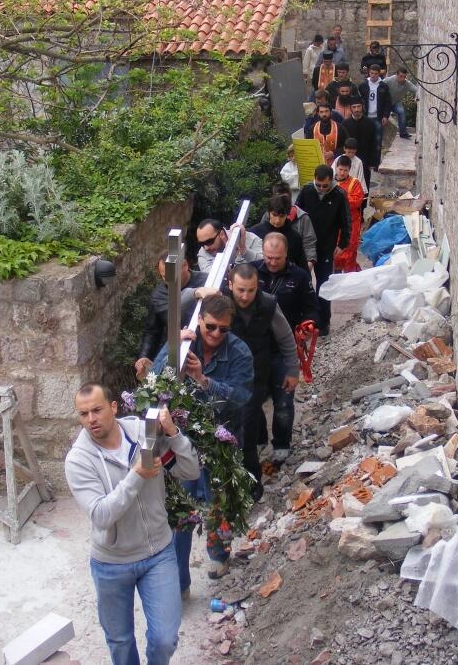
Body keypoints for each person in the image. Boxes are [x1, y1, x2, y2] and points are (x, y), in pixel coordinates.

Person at [66, 383, 200, 665]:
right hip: (111, 564)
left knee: (165, 639)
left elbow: (189, 471)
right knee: (121, 642)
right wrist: (137, 473)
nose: (91, 419)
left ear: (113, 408)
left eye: (97, 410)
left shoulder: (144, 435)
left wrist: (174, 434)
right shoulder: (78, 460)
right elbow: (102, 515)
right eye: (83, 413)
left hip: (158, 554)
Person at [152, 294, 253, 584]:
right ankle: (179, 579)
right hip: (184, 440)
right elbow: (154, 383)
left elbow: (242, 397)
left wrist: (204, 381)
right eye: (210, 327)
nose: (216, 334)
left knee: (218, 504)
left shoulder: (239, 353)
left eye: (223, 329)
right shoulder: (185, 343)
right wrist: (172, 348)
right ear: (199, 321)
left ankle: (219, 557)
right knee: (181, 509)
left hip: (222, 441)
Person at [187, 266, 298, 494]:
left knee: (245, 430)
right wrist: (195, 292)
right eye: (240, 290)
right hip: (222, 375)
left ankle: (251, 485)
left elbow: (286, 337)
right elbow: (176, 304)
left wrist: (292, 369)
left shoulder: (267, 305)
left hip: (255, 374)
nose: (245, 296)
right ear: (229, 285)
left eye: (251, 290)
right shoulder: (217, 302)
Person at [253, 233, 319, 461]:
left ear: (286, 255)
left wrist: (309, 324)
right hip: (255, 348)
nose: (272, 262)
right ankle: (258, 439)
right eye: (268, 257)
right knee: (253, 399)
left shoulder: (299, 277)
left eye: (277, 258)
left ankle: (282, 443)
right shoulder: (251, 273)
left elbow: (312, 308)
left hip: (284, 349)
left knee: (283, 399)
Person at [295, 164, 350, 336]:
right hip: (306, 244)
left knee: (324, 284)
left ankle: (323, 321)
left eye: (325, 186)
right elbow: (296, 213)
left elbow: (346, 222)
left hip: (327, 244)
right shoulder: (307, 191)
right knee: (302, 281)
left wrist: (342, 244)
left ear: (331, 181)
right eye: (318, 185)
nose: (321, 189)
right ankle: (304, 318)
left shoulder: (339, 195)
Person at [135, 251, 208, 379]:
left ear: (185, 266)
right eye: (164, 277)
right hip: (176, 354)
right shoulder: (158, 296)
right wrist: (144, 356)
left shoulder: (207, 281)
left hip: (206, 350)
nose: (168, 281)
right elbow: (152, 331)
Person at [262, 181, 318, 272]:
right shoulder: (266, 217)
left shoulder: (302, 218)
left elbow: (309, 241)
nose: (277, 220)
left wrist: (310, 261)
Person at [249, 193, 308, 268]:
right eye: (274, 215)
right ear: (269, 212)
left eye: (281, 216)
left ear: (287, 214)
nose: (277, 220)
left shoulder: (295, 237)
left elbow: (302, 267)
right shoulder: (255, 232)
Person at [333, 155, 366, 273]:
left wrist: (338, 201)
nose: (342, 173)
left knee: (349, 253)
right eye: (340, 169)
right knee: (335, 253)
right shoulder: (330, 182)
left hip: (351, 225)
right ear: (336, 168)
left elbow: (357, 201)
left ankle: (350, 280)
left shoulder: (355, 183)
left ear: (349, 170)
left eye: (345, 170)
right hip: (334, 226)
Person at [357, 65, 392, 171]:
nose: (373, 75)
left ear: (379, 74)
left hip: (378, 117)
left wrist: (386, 115)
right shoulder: (363, 85)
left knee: (377, 141)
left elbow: (387, 102)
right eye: (371, 73)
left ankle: (376, 164)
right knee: (365, 140)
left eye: (376, 73)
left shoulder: (383, 86)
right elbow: (359, 100)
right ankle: (365, 163)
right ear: (369, 73)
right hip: (366, 117)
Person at [195, 218, 263, 272]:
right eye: (201, 244)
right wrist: (228, 251)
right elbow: (212, 277)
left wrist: (244, 250)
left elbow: (267, 263)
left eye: (209, 242)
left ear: (221, 234)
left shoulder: (250, 238)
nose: (206, 248)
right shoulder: (202, 253)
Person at [343, 98, 378, 174]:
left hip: (365, 160)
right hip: (349, 160)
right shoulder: (345, 124)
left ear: (362, 107)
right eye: (354, 107)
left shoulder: (370, 123)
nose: (356, 109)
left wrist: (372, 162)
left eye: (358, 106)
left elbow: (374, 143)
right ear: (350, 108)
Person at [383, 68, 418, 139]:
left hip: (396, 102)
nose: (403, 79)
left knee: (401, 112)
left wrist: (416, 97)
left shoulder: (407, 84)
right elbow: (379, 86)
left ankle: (403, 133)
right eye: (401, 76)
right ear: (396, 75)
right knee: (382, 116)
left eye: (404, 77)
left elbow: (417, 90)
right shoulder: (389, 80)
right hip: (385, 103)